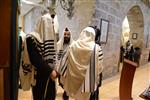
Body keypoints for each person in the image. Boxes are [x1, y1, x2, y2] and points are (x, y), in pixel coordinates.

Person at [60, 26, 103, 100]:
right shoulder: (97, 48)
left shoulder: (72, 45)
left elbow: (65, 62)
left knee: (77, 98)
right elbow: (99, 68)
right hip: (87, 81)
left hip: (73, 80)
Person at [25, 13, 58, 100]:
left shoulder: (52, 38)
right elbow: (35, 60)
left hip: (51, 77)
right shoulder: (31, 38)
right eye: (50, 24)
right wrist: (50, 71)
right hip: (39, 77)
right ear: (43, 24)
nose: (51, 27)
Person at [57, 27, 74, 100]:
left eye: (68, 34)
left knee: (67, 85)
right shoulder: (58, 44)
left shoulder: (73, 45)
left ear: (70, 35)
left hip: (69, 69)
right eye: (65, 34)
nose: (66, 36)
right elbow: (57, 55)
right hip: (60, 68)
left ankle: (65, 94)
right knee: (61, 83)